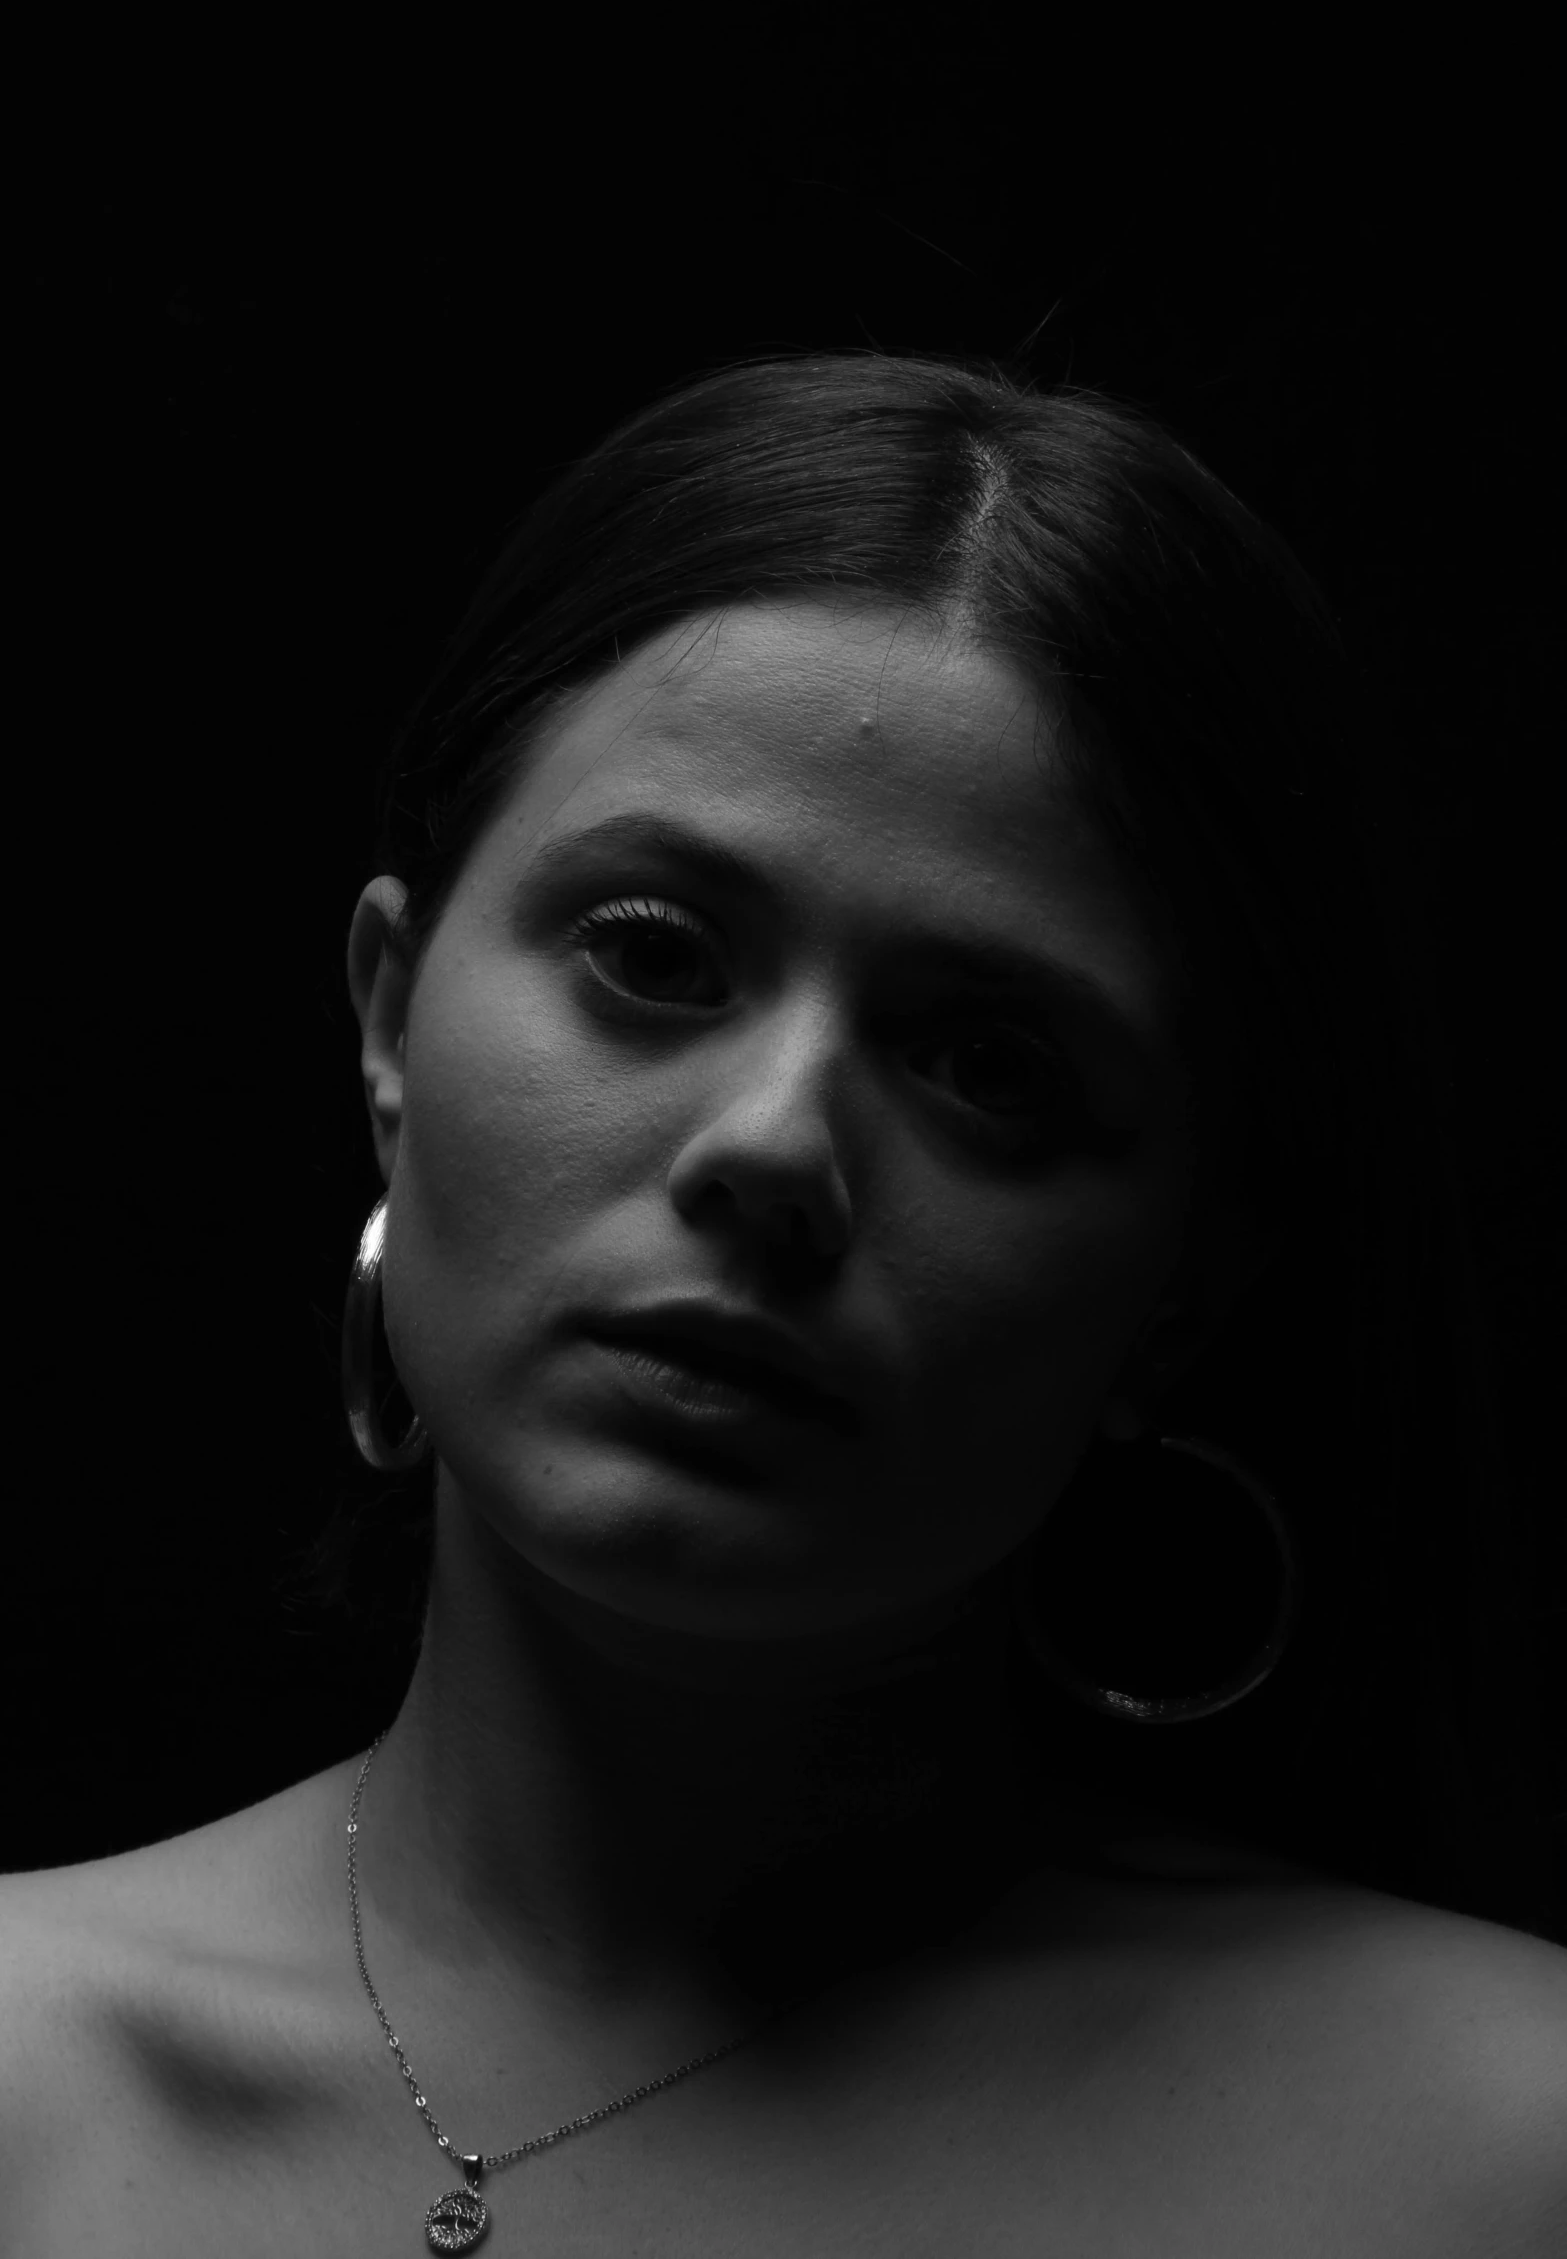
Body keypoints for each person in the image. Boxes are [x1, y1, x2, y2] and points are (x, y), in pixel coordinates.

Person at [2, 352, 1562, 2254]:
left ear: (1186, 1281)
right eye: (653, 954)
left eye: (988, 1066)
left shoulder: (1491, 2152)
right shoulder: (32, 2076)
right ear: (394, 1016)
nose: (773, 1147)